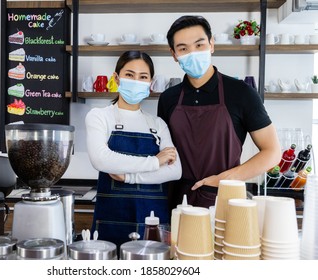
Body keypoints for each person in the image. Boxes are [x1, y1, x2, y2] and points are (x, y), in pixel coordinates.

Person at [157, 15, 281, 209]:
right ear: (174, 54)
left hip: (225, 197)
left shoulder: (241, 93)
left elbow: (272, 152)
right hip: (177, 200)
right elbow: (165, 153)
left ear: (212, 44)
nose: (192, 53)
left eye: (199, 45)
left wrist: (224, 179)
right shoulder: (168, 98)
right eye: (183, 49)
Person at [85, 51, 182, 248]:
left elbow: (175, 170)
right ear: (116, 78)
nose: (136, 81)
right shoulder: (99, 116)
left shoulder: (157, 124)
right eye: (129, 75)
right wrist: (155, 161)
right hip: (111, 219)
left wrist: (129, 177)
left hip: (153, 220)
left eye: (143, 77)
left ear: (150, 82)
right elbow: (101, 159)